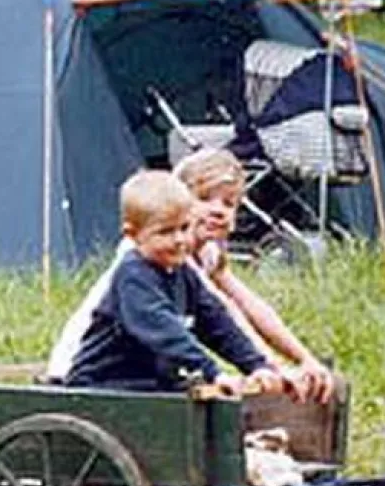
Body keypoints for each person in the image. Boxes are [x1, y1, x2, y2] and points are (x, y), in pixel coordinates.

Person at [62, 169, 290, 398]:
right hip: (104, 385)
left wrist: (256, 365)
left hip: (151, 384)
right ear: (133, 234)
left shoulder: (182, 272)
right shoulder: (134, 275)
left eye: (184, 228)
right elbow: (165, 332)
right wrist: (213, 373)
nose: (179, 240)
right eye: (165, 232)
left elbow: (217, 322)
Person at [175, 148, 337, 403]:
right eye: (205, 199)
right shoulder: (169, 252)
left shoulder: (208, 250)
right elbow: (223, 311)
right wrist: (268, 367)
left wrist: (304, 359)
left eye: (228, 203)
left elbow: (249, 304)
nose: (218, 210)